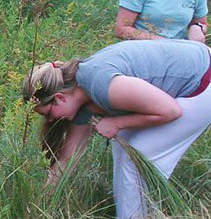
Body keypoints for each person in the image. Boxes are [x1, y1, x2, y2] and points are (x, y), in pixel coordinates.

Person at [22, 39, 211, 218]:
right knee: (123, 146)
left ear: (60, 97)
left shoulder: (102, 84)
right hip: (189, 77)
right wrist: (40, 203)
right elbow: (67, 159)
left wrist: (117, 123)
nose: (51, 119)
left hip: (201, 82)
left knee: (137, 155)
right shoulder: (81, 100)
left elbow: (170, 111)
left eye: (47, 113)